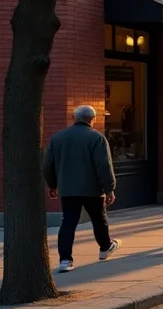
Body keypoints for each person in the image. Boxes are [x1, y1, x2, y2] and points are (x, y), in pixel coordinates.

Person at [43, 105, 120, 273]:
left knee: (68, 222)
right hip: (92, 189)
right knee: (99, 219)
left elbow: (48, 165)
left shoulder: (58, 138)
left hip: (68, 189)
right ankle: (105, 247)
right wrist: (109, 188)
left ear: (74, 118)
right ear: (92, 120)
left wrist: (52, 184)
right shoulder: (97, 138)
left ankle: (65, 260)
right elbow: (104, 166)